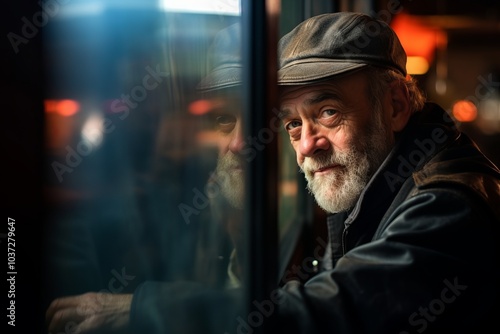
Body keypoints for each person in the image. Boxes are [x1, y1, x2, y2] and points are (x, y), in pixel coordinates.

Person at [45, 12, 500, 334]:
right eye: (292, 125)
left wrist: (144, 311)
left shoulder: (448, 203)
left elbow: (343, 309)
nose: (307, 145)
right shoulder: (380, 181)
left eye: (327, 111)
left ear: (396, 105)